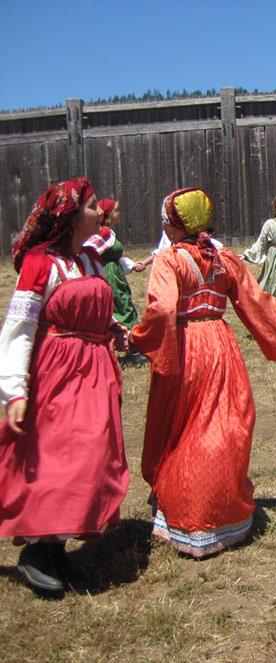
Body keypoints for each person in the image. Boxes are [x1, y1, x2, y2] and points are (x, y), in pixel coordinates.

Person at [129, 187, 276, 558]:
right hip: (219, 347)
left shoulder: (169, 261)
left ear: (173, 226)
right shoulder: (223, 258)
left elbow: (163, 311)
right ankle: (219, 511)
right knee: (224, 425)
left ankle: (187, 510)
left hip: (184, 349)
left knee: (181, 427)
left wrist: (138, 339)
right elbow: (255, 299)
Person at [0, 178, 130, 592]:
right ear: (72, 217)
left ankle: (57, 549)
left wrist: (113, 329)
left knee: (90, 455)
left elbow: (92, 306)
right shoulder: (42, 264)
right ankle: (38, 549)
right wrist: (15, 391)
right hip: (56, 375)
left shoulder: (89, 259)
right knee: (58, 458)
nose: (100, 212)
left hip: (93, 372)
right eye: (92, 206)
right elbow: (19, 330)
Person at [83, 199, 148, 366]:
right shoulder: (102, 234)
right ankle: (134, 351)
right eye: (116, 211)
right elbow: (87, 252)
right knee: (122, 308)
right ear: (109, 215)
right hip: (109, 277)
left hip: (114, 274)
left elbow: (115, 257)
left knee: (121, 306)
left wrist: (132, 265)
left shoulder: (108, 233)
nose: (119, 213)